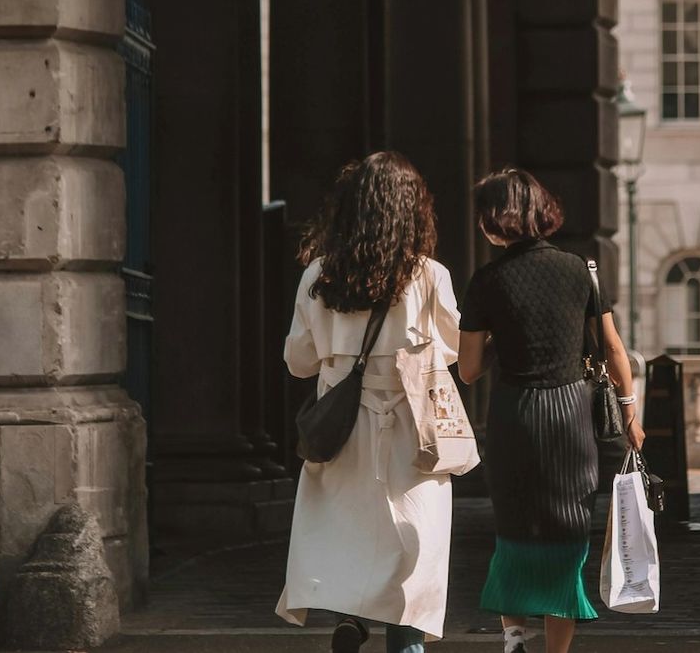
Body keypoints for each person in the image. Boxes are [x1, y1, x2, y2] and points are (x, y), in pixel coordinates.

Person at [275, 151, 462, 653]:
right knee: (410, 555)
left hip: (342, 434)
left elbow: (298, 361)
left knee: (350, 539)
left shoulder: (318, 274)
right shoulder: (430, 276)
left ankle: (350, 621)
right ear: (412, 210)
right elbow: (451, 352)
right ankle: (403, 644)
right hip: (410, 435)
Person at [457, 168, 644, 653]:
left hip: (515, 415)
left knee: (514, 527)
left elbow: (469, 369)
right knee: (566, 532)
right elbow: (613, 349)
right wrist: (629, 414)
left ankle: (514, 633)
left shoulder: (487, 281)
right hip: (570, 414)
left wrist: (503, 336)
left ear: (495, 219)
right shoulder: (578, 269)